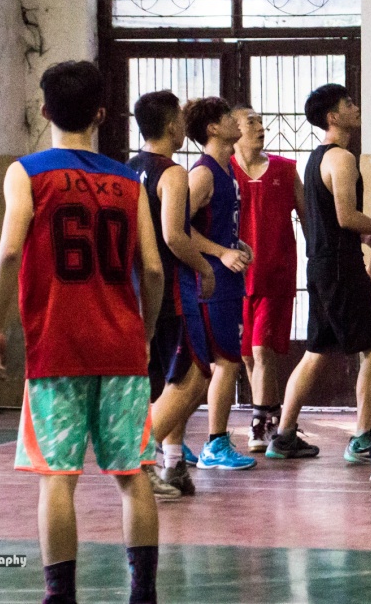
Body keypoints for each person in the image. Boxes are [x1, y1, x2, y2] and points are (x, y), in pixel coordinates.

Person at [0, 60, 163, 604]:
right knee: (134, 474)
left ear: (44, 111)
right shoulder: (129, 181)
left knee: (58, 477)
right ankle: (143, 593)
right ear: (102, 114)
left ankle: (60, 595)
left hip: (57, 348)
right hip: (121, 346)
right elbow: (153, 269)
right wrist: (145, 333)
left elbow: (9, 252)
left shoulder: (27, 172)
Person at [267, 84, 371, 463]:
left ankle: (283, 436)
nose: (356, 107)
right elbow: (346, 217)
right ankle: (363, 438)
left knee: (317, 351)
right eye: (348, 103)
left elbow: (333, 221)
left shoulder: (315, 158)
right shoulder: (341, 157)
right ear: (333, 117)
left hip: (322, 264)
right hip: (340, 267)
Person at [127, 90, 217, 499]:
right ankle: (138, 459)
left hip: (137, 289)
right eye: (181, 120)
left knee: (163, 382)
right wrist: (205, 267)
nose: (185, 126)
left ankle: (173, 462)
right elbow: (174, 236)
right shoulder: (173, 173)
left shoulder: (128, 170)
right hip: (172, 288)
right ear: (169, 127)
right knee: (194, 375)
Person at [183, 97, 257, 470]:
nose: (237, 121)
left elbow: (211, 223)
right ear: (213, 128)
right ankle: (215, 443)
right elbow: (177, 228)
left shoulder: (227, 169)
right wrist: (220, 252)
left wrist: (235, 244)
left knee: (207, 366)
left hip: (225, 279)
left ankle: (170, 439)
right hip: (209, 280)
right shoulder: (203, 173)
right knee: (224, 362)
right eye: (229, 117)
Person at [231, 105, 306, 452]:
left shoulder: (285, 170)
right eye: (252, 122)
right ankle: (274, 420)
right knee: (249, 356)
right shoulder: (221, 172)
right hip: (235, 277)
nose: (260, 127)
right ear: (234, 129)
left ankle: (259, 426)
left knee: (262, 350)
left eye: (261, 121)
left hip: (275, 273)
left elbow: (308, 219)